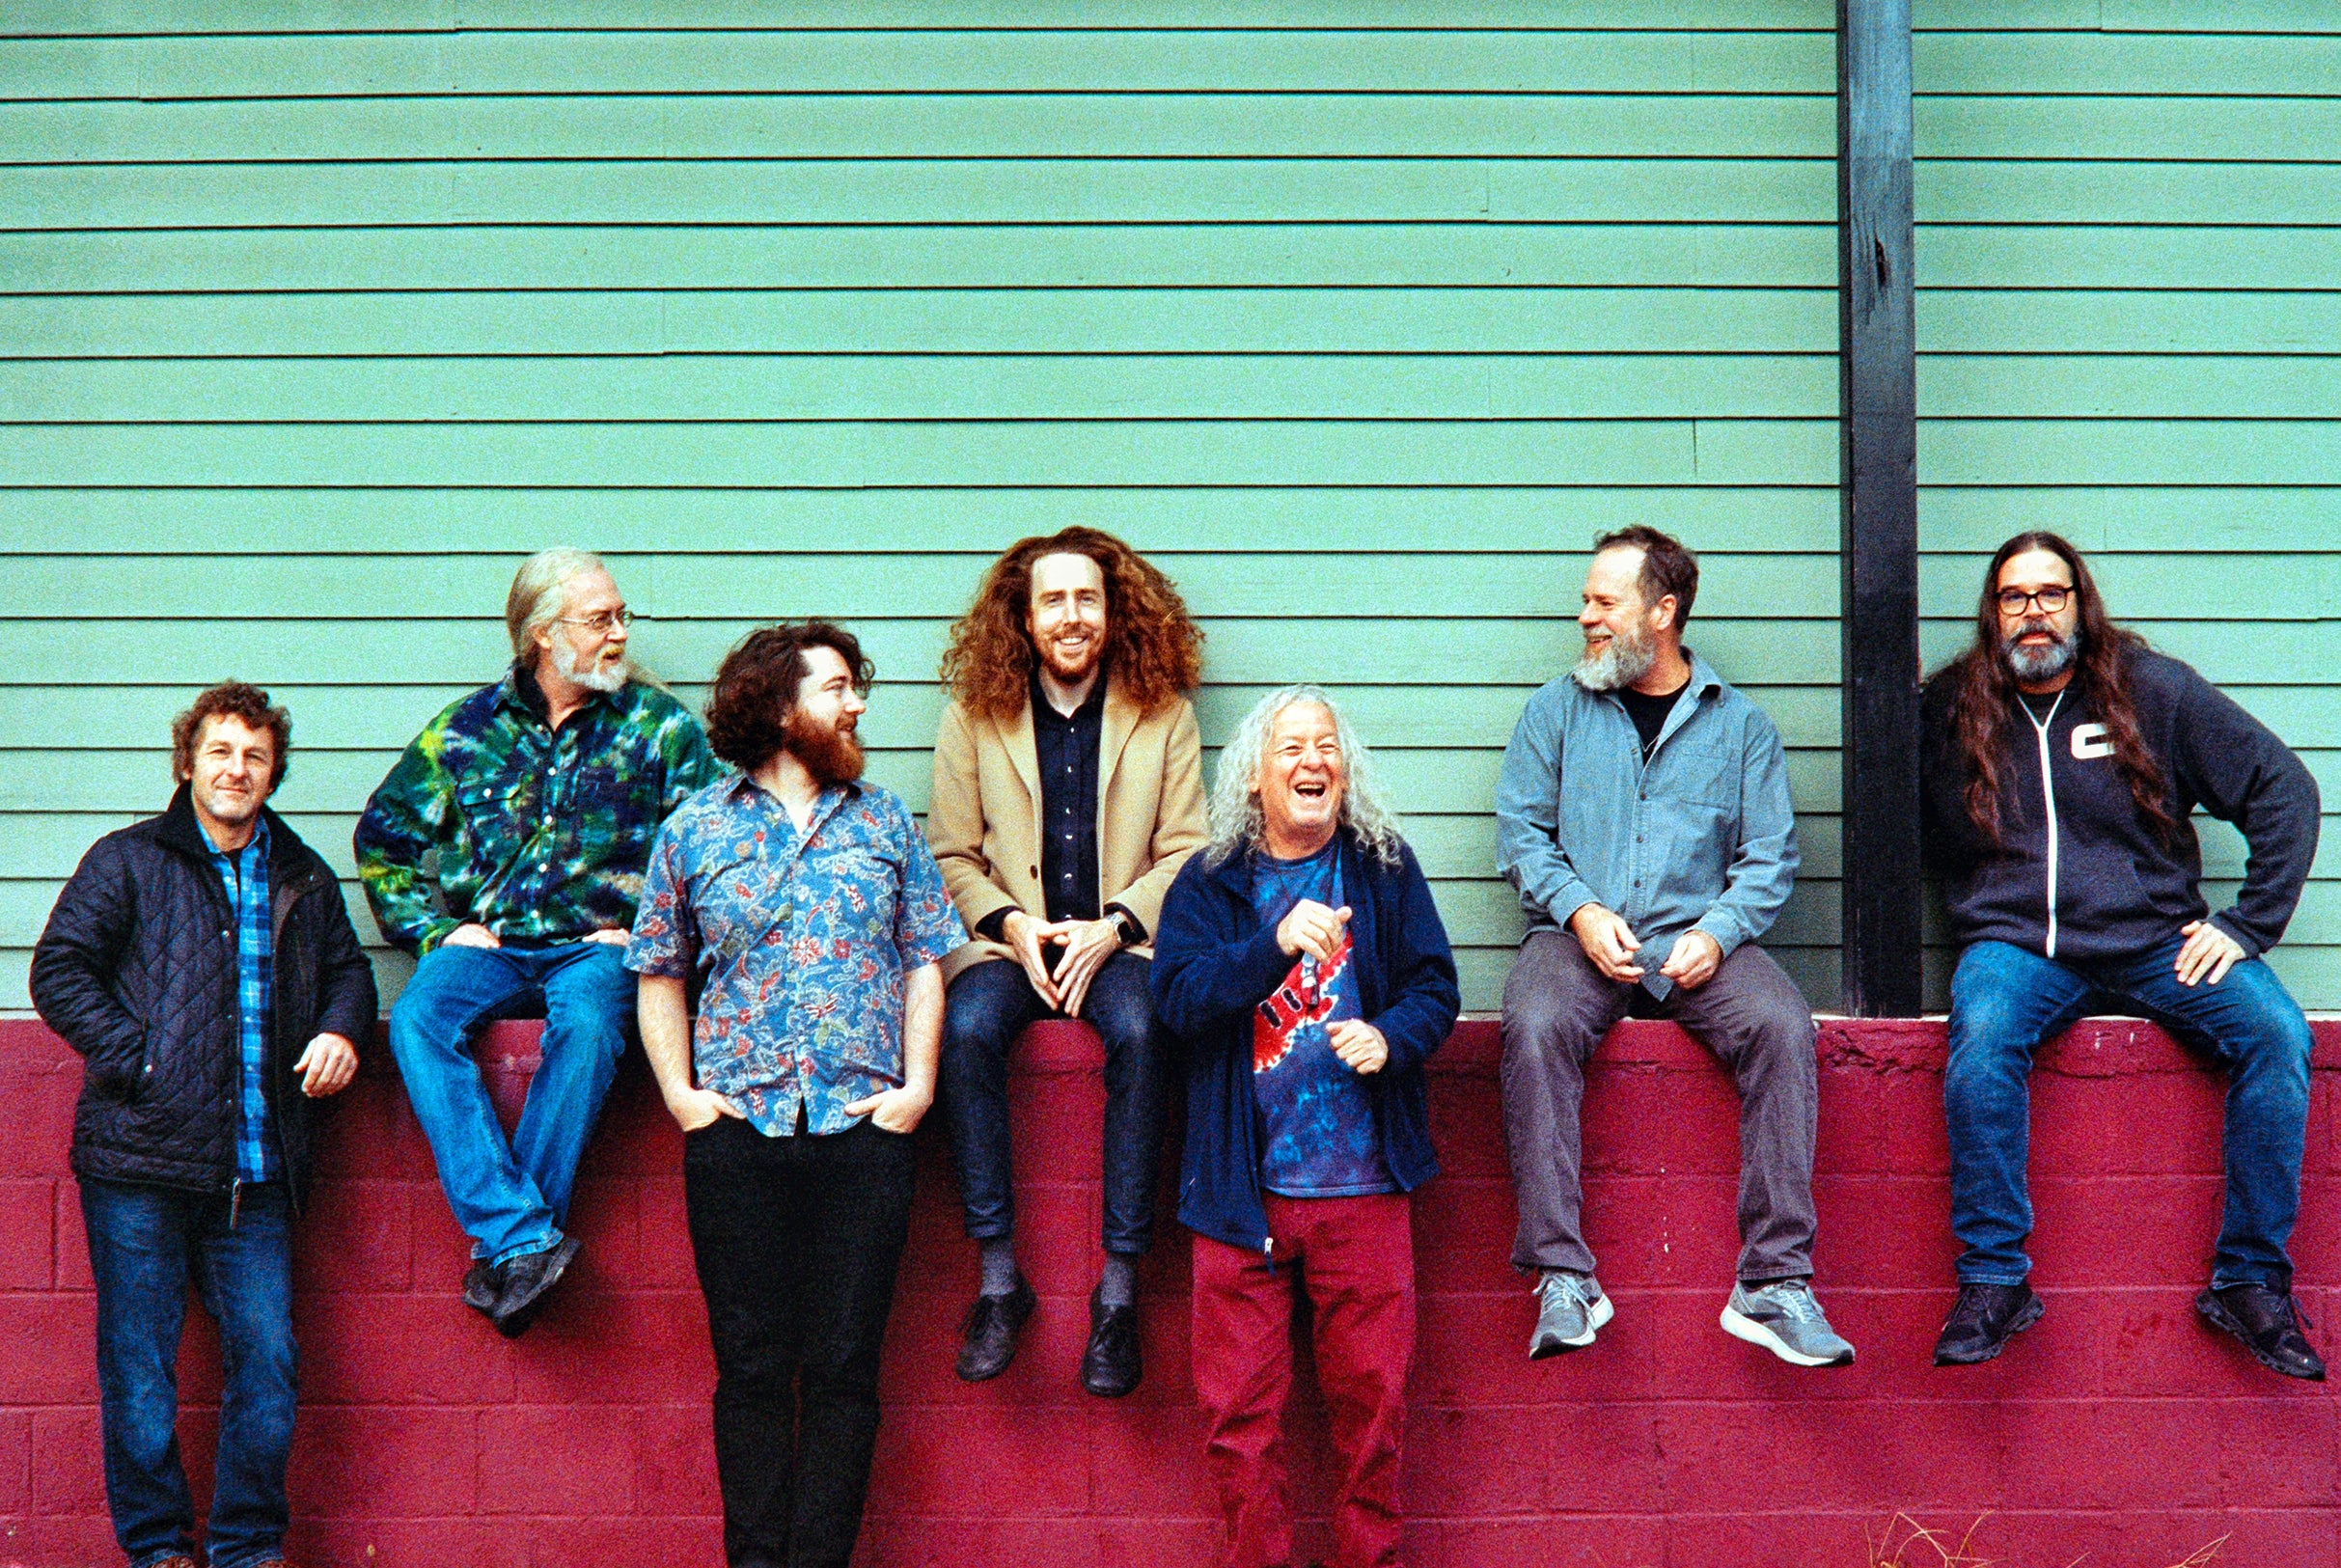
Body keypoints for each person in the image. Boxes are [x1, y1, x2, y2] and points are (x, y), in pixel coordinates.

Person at [1922, 531, 2324, 1378]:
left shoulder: (2151, 690)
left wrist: (2248, 923)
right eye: (2014, 597)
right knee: (1982, 1037)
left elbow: (2284, 787)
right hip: (2020, 946)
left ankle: (2249, 1280)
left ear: (2080, 601)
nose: (2034, 613)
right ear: (1992, 613)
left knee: (2277, 1033)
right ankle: (1995, 1278)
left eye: (2051, 593)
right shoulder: (1953, 707)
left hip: (2154, 942)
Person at [627, 621, 964, 1568]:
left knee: (846, 1367)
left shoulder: (883, 820)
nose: (856, 704)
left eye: (857, 687)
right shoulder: (693, 828)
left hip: (863, 1128)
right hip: (740, 1132)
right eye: (836, 688)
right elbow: (658, 970)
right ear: (778, 707)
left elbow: (925, 958)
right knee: (751, 1368)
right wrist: (682, 1096)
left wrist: (917, 1087)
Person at [31, 682, 375, 1568]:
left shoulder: (302, 873)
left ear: (274, 772)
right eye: (220, 750)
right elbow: (59, 969)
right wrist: (140, 1057)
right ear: (188, 762)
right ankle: (158, 1550)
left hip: (255, 1173)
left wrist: (342, 1029)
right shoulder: (128, 859)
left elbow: (349, 972)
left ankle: (247, 1547)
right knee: (140, 1370)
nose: (236, 769)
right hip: (137, 1165)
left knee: (269, 1364)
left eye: (255, 755)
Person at [1496, 525, 1854, 1367]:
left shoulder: (1742, 728)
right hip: (1576, 939)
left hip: (1696, 942)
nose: (1584, 615)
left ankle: (1773, 1283)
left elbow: (1769, 859)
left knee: (1782, 1026)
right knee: (1534, 1023)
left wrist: (1717, 933)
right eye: (1586, 599)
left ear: (1661, 612)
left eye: (1603, 601)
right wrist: (1581, 911)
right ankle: (1562, 1277)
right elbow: (1521, 835)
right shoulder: (1553, 711)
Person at [354, 548, 720, 1334]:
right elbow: (383, 838)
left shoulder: (661, 729)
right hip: (490, 947)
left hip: (599, 947)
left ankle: (514, 1242)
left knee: (587, 1026)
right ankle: (523, 1236)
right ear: (544, 633)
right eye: (600, 619)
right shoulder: (464, 731)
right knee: (417, 1017)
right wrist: (436, 930)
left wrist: (649, 930)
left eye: (621, 616)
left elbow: (709, 853)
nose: (620, 633)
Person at [1152, 686, 1458, 1568]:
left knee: (1374, 1414)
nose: (1312, 760)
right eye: (1290, 748)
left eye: (1326, 746)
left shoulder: (1385, 868)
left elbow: (1436, 987)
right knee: (1239, 1422)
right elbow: (1176, 999)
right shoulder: (1210, 881)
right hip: (1240, 1197)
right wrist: (1274, 944)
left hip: (1363, 1185)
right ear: (1254, 776)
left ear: (1345, 773)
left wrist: (1391, 1036)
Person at [924, 526, 1208, 1395]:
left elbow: (1188, 849)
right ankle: (999, 1282)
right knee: (964, 1030)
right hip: (1009, 940)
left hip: (1121, 940)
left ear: (1115, 612)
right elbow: (949, 853)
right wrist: (1013, 925)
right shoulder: (974, 714)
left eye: (1088, 598)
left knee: (1147, 1031)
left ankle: (1117, 1295)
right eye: (1053, 600)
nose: (1071, 615)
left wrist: (1112, 927)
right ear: (1024, 616)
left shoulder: (1163, 714)